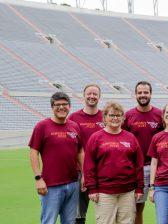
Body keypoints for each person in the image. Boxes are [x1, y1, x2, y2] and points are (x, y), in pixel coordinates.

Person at [84, 102, 144, 224]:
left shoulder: (130, 138)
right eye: (111, 115)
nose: (115, 118)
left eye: (118, 115)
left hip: (127, 191)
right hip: (104, 192)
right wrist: (92, 189)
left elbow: (139, 165)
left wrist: (139, 188)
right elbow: (89, 165)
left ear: (123, 118)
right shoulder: (96, 138)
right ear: (105, 117)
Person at [29, 92, 84, 224]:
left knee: (70, 222)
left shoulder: (74, 126)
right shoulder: (42, 126)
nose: (61, 107)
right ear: (52, 107)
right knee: (49, 221)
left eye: (64, 104)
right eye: (57, 105)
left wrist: (84, 175)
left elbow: (80, 152)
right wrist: (38, 178)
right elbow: (33, 152)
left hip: (72, 183)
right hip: (51, 186)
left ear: (69, 106)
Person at [123, 81, 163, 224]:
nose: (143, 95)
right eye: (140, 92)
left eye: (145, 92)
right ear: (135, 95)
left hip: (155, 167)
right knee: (135, 207)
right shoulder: (128, 116)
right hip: (134, 168)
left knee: (161, 206)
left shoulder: (160, 114)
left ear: (151, 94)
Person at [69, 84, 104, 224]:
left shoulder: (105, 116)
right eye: (89, 94)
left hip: (102, 171)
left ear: (99, 97)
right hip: (79, 172)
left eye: (95, 94)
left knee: (104, 211)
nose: (92, 96)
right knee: (78, 214)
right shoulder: (74, 117)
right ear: (84, 96)